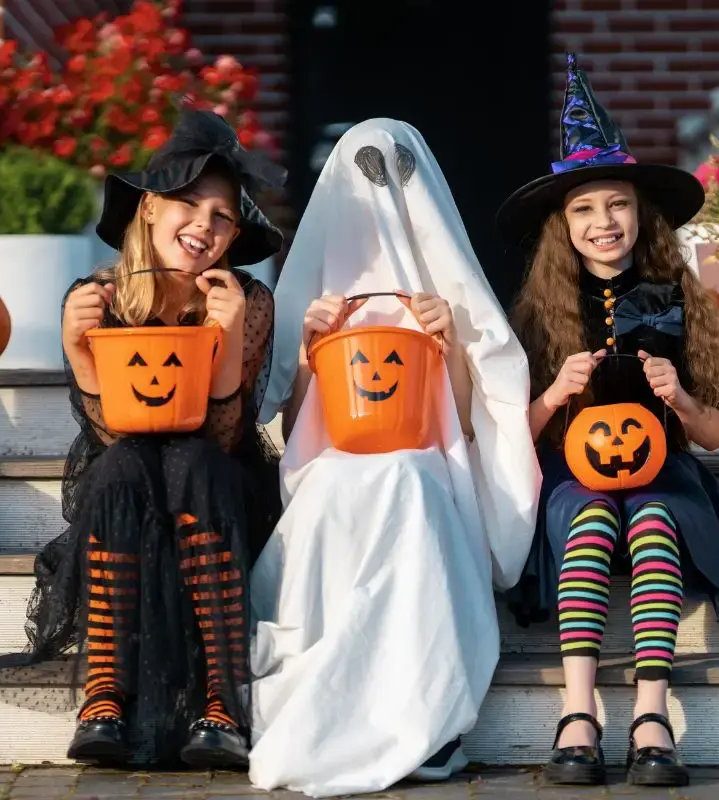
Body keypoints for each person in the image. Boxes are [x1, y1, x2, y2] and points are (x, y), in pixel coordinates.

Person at [495, 55, 719, 788]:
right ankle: (578, 712)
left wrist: (682, 398)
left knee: (654, 517)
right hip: (574, 476)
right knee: (593, 516)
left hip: (667, 472)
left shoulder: (682, 298)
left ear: (642, 213)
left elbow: (715, 437)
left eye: (617, 205)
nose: (603, 223)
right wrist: (550, 396)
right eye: (584, 209)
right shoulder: (537, 315)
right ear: (562, 226)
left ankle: (652, 711)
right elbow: (514, 436)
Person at [0, 109, 286, 770]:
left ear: (235, 234)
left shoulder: (248, 299)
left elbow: (228, 437)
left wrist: (227, 341)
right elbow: (111, 427)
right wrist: (81, 354)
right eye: (186, 203)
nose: (203, 225)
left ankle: (224, 699)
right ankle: (104, 696)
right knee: (122, 462)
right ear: (148, 209)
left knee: (195, 462)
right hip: (128, 486)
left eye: (222, 216)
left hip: (219, 485)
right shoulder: (100, 295)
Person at [246, 119, 540, 797]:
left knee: (407, 483)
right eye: (366, 174)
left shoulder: (444, 294)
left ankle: (422, 710)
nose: (386, 196)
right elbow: (293, 431)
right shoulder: (320, 296)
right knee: (337, 494)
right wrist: (305, 354)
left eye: (400, 173)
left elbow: (470, 425)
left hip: (429, 461)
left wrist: (453, 344)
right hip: (333, 462)